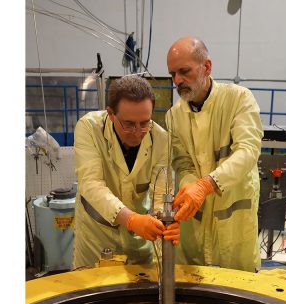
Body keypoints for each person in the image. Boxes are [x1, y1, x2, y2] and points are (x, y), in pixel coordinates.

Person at [162, 36, 263, 272]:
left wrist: (206, 184)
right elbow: (182, 163)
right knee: (194, 284)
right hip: (196, 222)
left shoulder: (239, 99)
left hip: (234, 221)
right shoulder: (173, 116)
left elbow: (248, 150)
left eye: (184, 71)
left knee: (238, 287)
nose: (177, 80)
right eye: (172, 74)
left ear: (206, 67)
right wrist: (190, 187)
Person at [73, 75, 169, 269]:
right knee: (93, 285)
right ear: (110, 113)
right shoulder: (89, 128)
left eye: (145, 123)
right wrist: (131, 220)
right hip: (96, 237)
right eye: (129, 124)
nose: (138, 132)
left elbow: (160, 194)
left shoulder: (161, 138)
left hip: (137, 239)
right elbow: (91, 184)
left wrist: (163, 223)